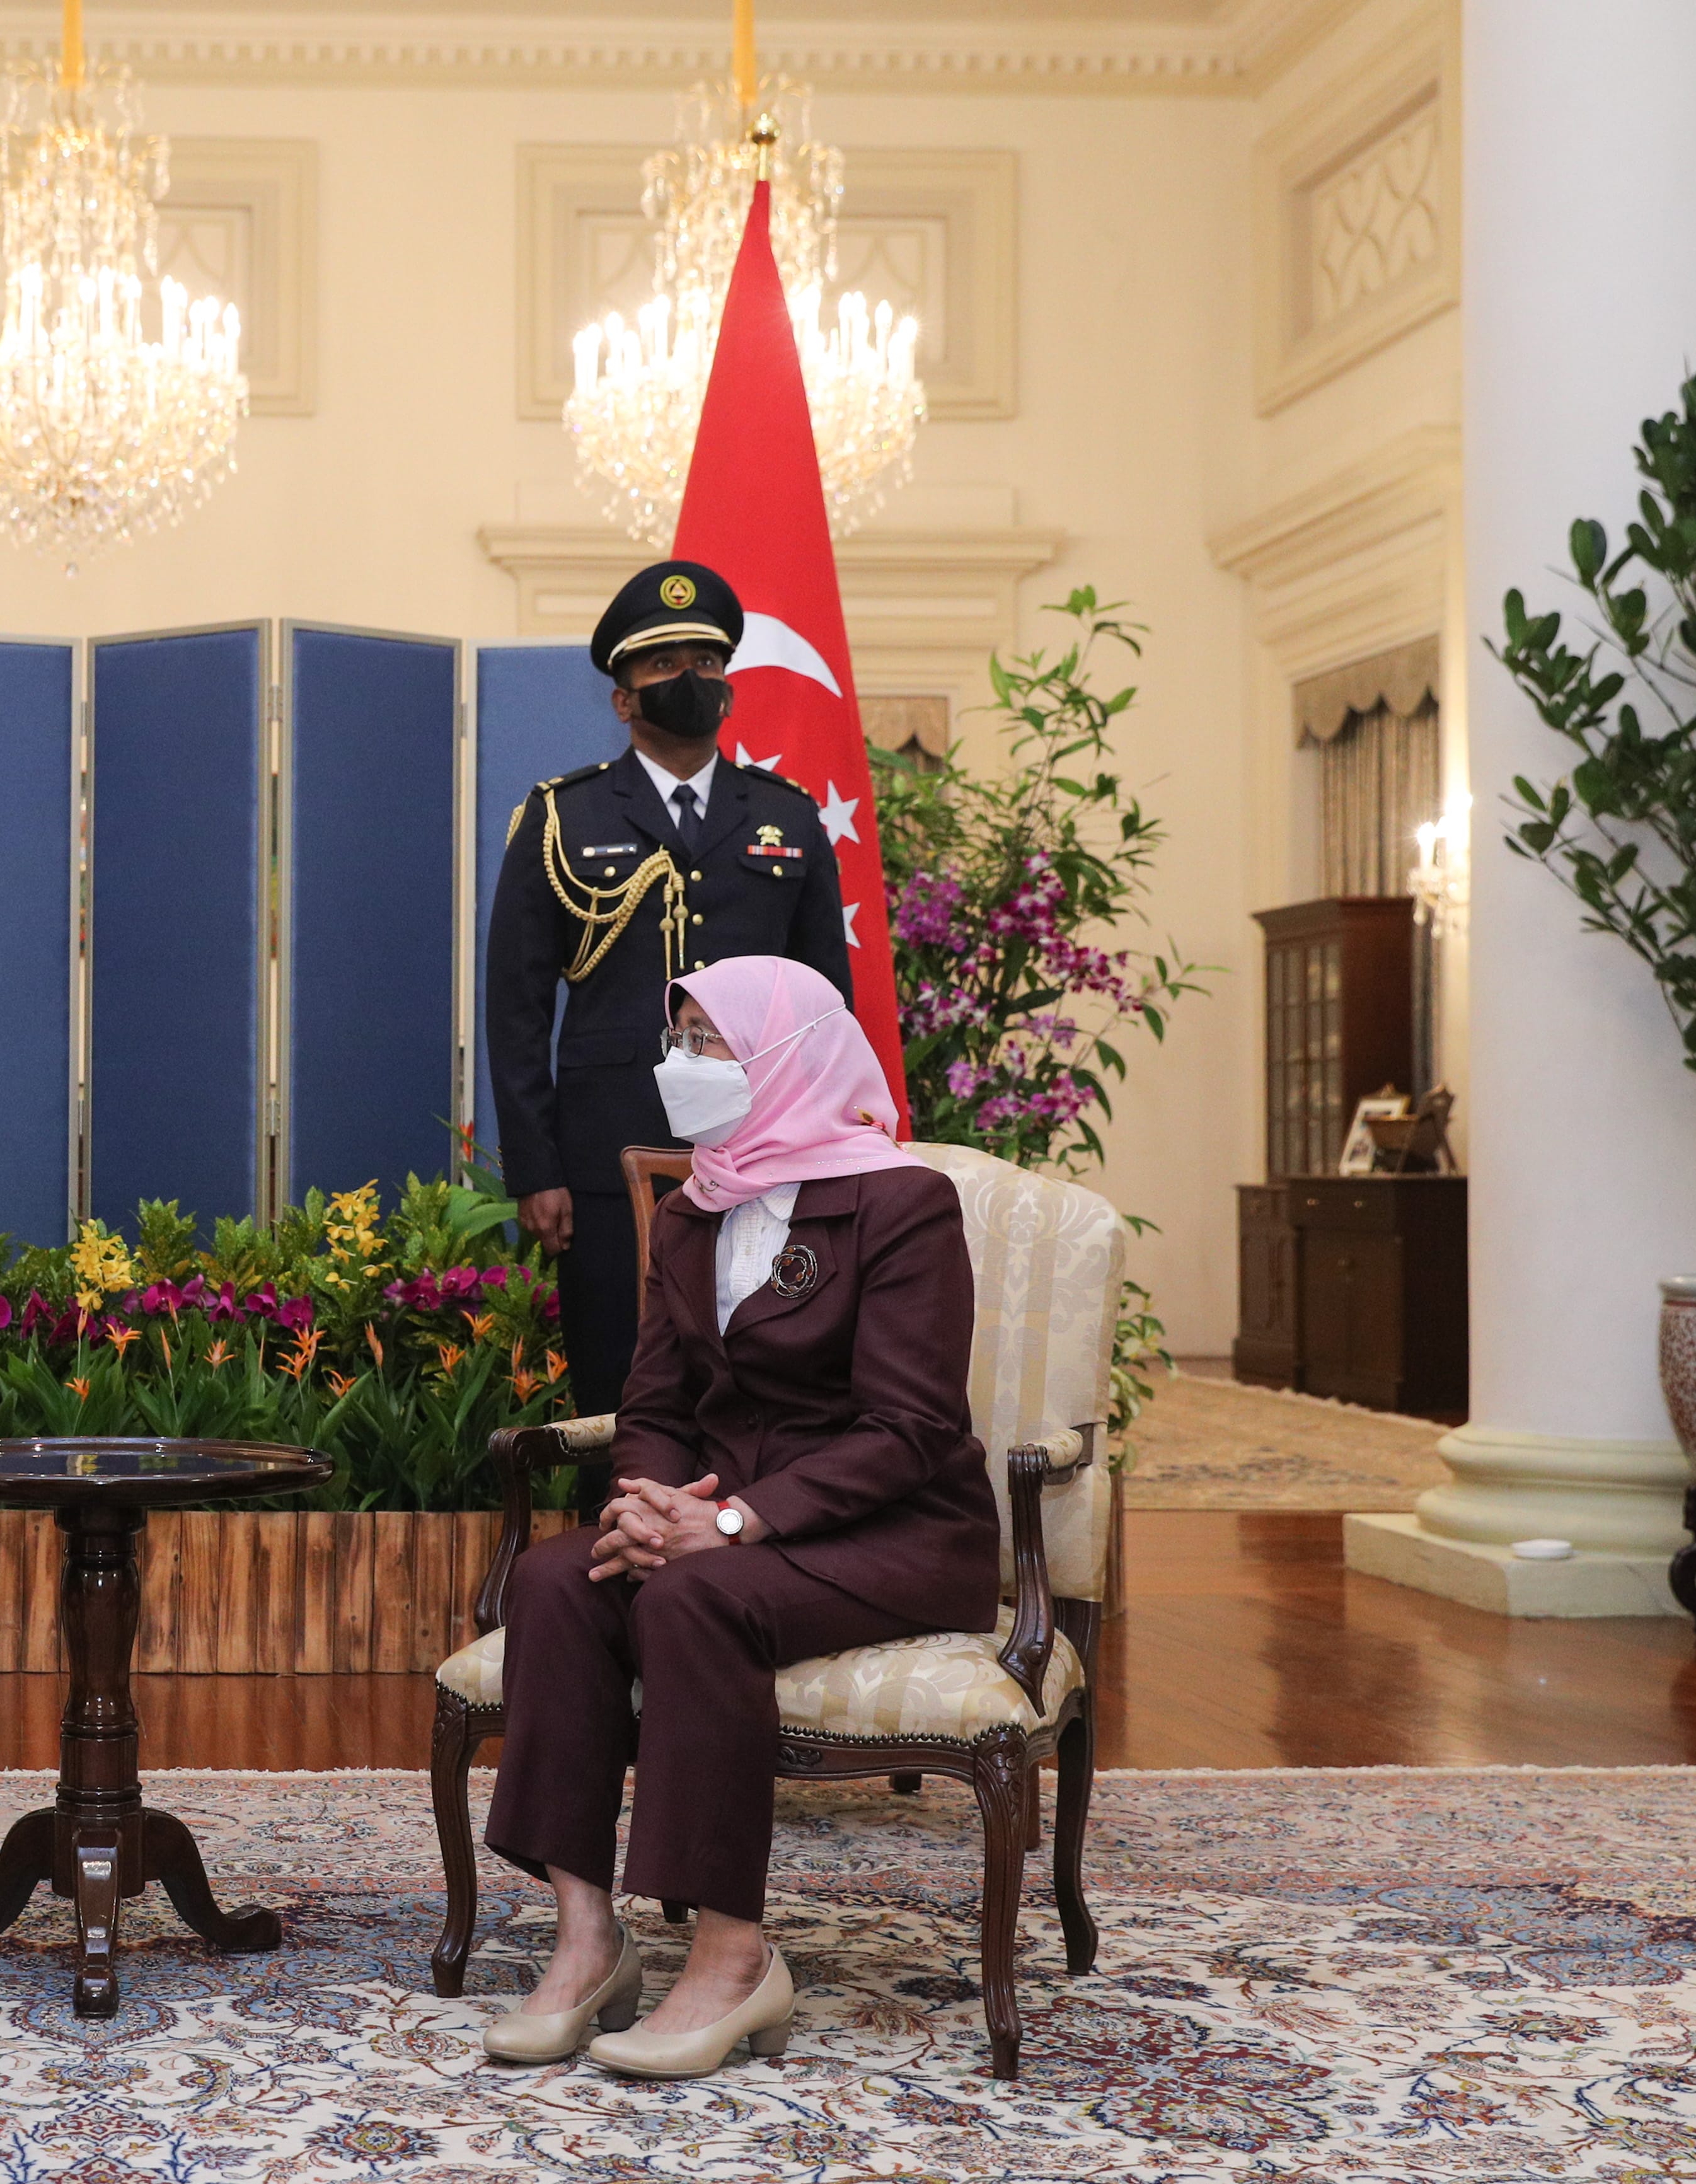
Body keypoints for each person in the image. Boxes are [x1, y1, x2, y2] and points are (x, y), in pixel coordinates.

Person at [477, 954, 993, 2081]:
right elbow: (655, 1404)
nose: (682, 1066)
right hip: (718, 1519)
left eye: (708, 1043)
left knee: (697, 1598)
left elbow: (910, 1427)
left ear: (786, 1056)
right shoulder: (695, 1211)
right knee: (561, 1582)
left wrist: (731, 1525)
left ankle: (730, 1955)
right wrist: (646, 1505)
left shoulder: (900, 1203)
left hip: (892, 1528)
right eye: (681, 1042)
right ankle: (585, 1941)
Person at [482, 559, 852, 1516]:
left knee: (768, 1365)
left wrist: (836, 1151)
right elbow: (516, 1004)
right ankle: (620, 1577)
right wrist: (536, 1167)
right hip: (611, 1157)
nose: (688, 676)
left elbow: (824, 1006)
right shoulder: (563, 816)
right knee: (621, 1376)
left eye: (704, 658)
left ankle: (744, 1565)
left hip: (765, 1153)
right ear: (621, 695)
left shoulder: (785, 818)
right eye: (662, 663)